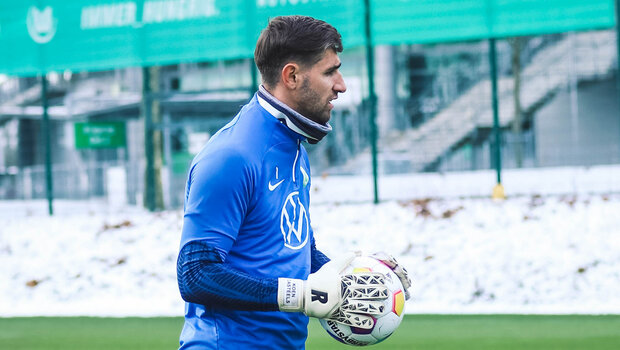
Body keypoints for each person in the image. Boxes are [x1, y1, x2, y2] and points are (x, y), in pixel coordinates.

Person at [176, 15, 411, 349]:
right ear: (292, 75)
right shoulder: (230, 157)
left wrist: (359, 278)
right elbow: (196, 274)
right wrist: (298, 295)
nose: (341, 85)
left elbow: (296, 252)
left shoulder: (294, 148)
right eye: (330, 71)